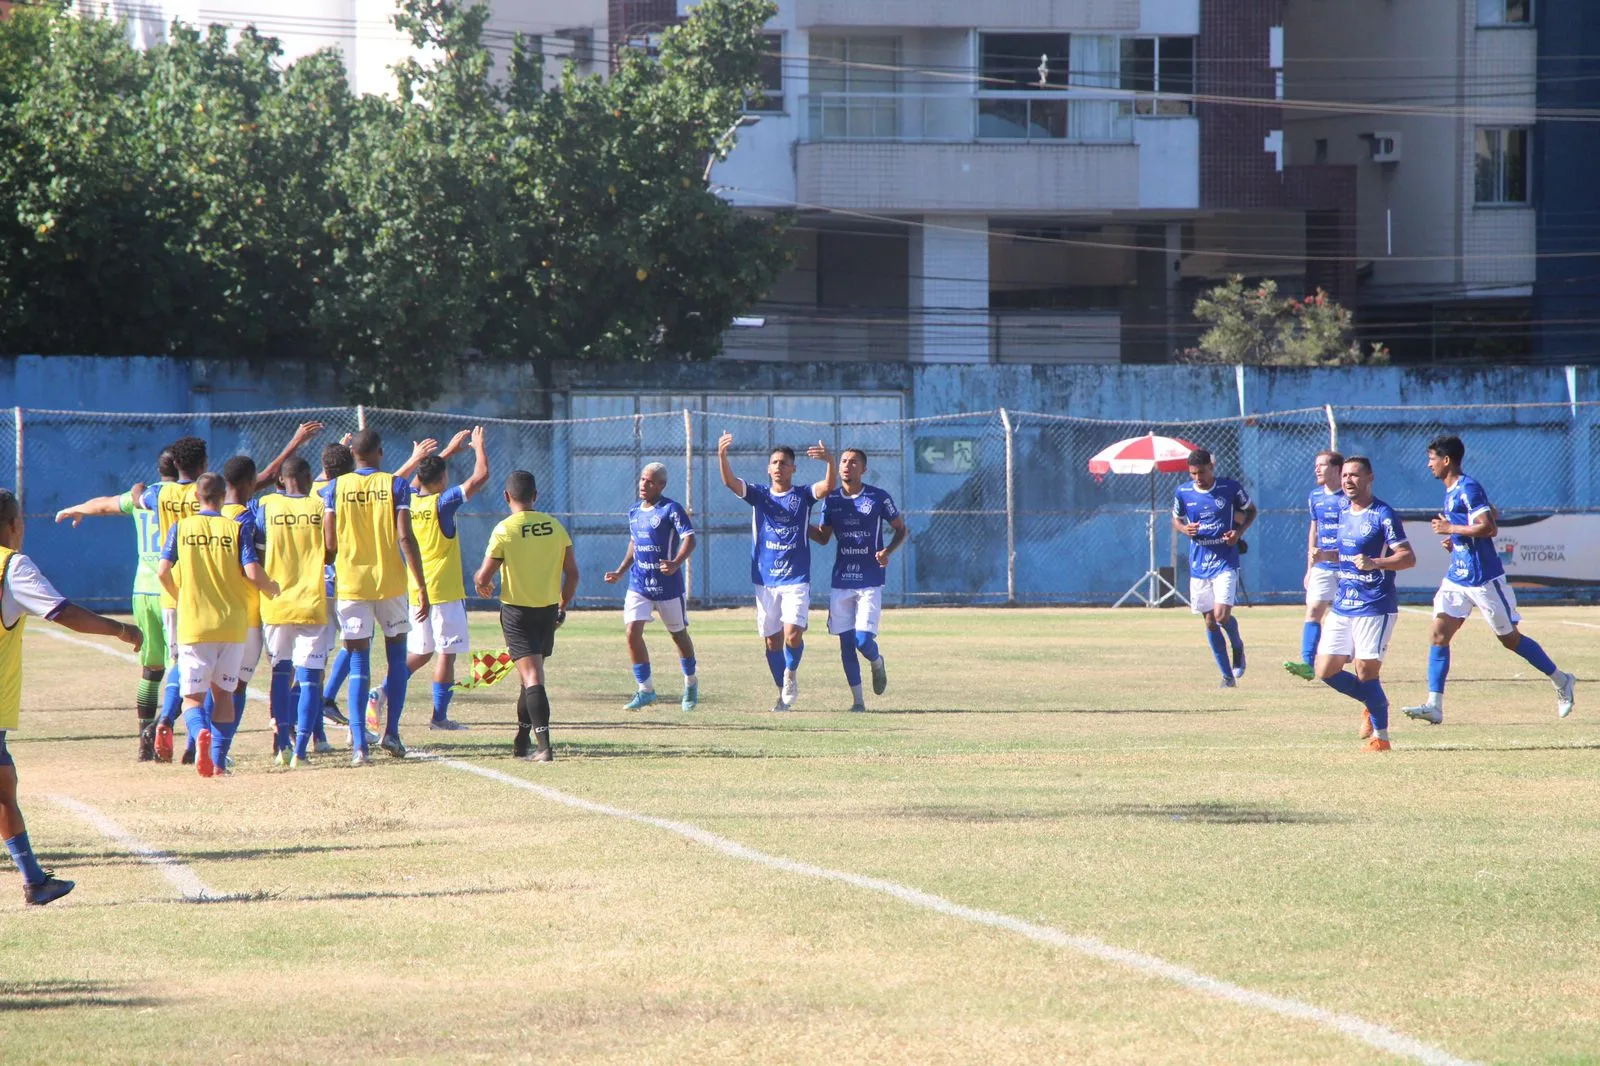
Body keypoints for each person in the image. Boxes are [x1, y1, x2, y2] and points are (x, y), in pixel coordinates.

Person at [1, 487, 144, 904]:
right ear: (14, 526)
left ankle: (34, 881)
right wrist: (121, 629)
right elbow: (63, 612)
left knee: (3, 785)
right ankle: (33, 881)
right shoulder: (12, 568)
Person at [1402, 435, 1576, 724]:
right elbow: (1483, 517)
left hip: (1483, 578)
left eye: (1431, 458)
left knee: (1510, 640)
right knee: (1438, 634)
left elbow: (1489, 526)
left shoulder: (1468, 487)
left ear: (1446, 460)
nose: (1428, 463)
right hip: (1458, 576)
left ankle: (1561, 680)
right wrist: (1455, 539)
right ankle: (1434, 705)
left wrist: (1450, 527)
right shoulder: (1452, 489)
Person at [155, 473, 279, 777]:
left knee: (192, 700)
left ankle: (200, 737)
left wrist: (180, 596)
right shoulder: (235, 529)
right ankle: (219, 762)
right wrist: (272, 587)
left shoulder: (180, 528)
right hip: (233, 625)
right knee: (225, 694)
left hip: (195, 624)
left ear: (196, 497)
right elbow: (252, 572)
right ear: (223, 497)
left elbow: (162, 572)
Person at [53, 448, 174, 760]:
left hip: (143, 591)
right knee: (183, 668)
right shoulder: (188, 496)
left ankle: (145, 741)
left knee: (151, 668)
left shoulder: (142, 497)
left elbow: (105, 505)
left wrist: (76, 508)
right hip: (174, 590)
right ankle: (169, 730)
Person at [322, 430, 428, 764]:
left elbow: (329, 545)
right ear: (380, 452)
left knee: (357, 661)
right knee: (397, 656)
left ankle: (358, 748)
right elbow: (405, 537)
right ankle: (392, 733)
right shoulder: (395, 485)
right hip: (391, 583)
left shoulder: (334, 488)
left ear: (353, 453)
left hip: (352, 584)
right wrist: (420, 585)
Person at [717, 432, 837, 712]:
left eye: (784, 463)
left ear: (793, 469)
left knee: (792, 634)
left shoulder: (803, 495)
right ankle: (781, 694)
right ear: (768, 468)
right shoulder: (759, 495)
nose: (779, 466)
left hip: (796, 577)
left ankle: (791, 675)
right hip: (765, 578)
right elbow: (729, 482)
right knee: (772, 641)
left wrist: (830, 461)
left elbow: (828, 486)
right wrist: (722, 456)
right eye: (775, 462)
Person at [474, 470, 578, 761]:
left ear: (507, 496)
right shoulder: (554, 526)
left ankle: (544, 746)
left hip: (517, 612)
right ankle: (521, 740)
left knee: (531, 676)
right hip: (547, 611)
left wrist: (481, 583)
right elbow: (572, 573)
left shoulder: (504, 529)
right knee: (527, 677)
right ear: (535, 496)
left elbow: (484, 576)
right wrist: (563, 603)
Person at [1312, 456, 1415, 751]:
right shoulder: (1342, 511)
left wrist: (1376, 563)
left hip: (1375, 604)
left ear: (1370, 478)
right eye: (1344, 475)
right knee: (1325, 670)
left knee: (1366, 672)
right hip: (1344, 603)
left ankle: (1381, 738)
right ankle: (1373, 702)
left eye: (1355, 476)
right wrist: (1324, 556)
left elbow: (1408, 558)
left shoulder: (1383, 514)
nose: (1348, 481)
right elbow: (1345, 555)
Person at [395, 427, 489, 731]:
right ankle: (439, 717)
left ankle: (382, 692)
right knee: (447, 654)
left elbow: (419, 479)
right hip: (445, 591)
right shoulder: (443, 502)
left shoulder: (408, 500)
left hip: (416, 590)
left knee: (420, 652)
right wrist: (479, 447)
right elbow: (480, 477)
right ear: (441, 481)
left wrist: (445, 453)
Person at [808, 448, 908, 711]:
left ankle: (876, 661)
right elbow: (822, 537)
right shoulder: (831, 500)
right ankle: (858, 702)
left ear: (863, 469)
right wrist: (798, 523)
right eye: (843, 461)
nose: (846, 466)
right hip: (842, 580)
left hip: (870, 579)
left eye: (853, 463)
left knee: (862, 640)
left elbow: (901, 529)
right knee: (845, 643)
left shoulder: (878, 497)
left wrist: (887, 551)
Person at [252, 456, 334, 767]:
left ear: (282, 480)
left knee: (280, 674)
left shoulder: (266, 505)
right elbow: (329, 552)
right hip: (311, 601)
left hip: (275, 602)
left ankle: (281, 745)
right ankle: (301, 751)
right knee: (311, 678)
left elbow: (257, 552)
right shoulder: (319, 505)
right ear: (309, 476)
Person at [602, 462, 698, 712]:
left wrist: (676, 563)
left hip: (668, 586)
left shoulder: (671, 509)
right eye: (643, 479)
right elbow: (634, 544)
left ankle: (690, 684)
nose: (644, 485)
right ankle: (646, 690)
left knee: (679, 636)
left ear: (661, 485)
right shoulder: (634, 511)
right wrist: (621, 571)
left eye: (650, 481)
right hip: (639, 583)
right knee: (632, 632)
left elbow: (690, 538)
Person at [1172, 449, 1256, 688]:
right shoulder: (1183, 492)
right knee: (1209, 621)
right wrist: (1183, 529)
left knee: (1221, 615)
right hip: (1199, 563)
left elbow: (1251, 511)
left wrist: (1238, 533)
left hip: (1225, 561)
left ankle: (1237, 646)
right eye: (1192, 474)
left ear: (1211, 468)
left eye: (1201, 472)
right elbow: (1176, 519)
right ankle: (1227, 676)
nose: (1197, 478)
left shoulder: (1229, 488)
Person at [1284, 450, 1346, 682]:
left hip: (1346, 567)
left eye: (1322, 465)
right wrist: (1309, 568)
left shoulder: (1349, 498)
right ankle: (1308, 663)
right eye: (1316, 465)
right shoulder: (1315, 496)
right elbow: (1314, 529)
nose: (1317, 469)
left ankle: (1347, 659)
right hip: (1321, 567)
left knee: (1347, 614)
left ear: (1338, 470)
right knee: (1313, 611)